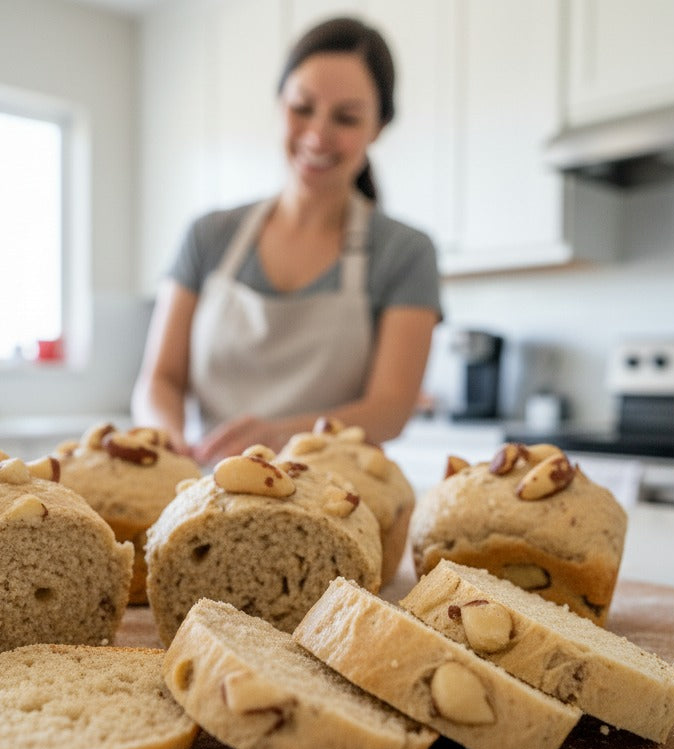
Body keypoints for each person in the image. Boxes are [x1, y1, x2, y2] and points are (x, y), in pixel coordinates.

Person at [132, 16, 442, 464]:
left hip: (337, 504)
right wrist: (167, 440)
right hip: (205, 489)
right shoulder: (209, 236)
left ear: (378, 127)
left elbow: (390, 410)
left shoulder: (405, 252)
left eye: (347, 117)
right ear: (279, 103)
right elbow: (159, 379)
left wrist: (280, 435)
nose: (318, 134)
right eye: (302, 107)